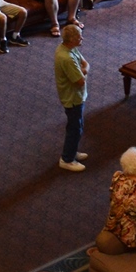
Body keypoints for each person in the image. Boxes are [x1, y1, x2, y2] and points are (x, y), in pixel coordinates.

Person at [55, 23, 90, 171]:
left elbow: (85, 64)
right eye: (78, 37)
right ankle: (67, 159)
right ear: (70, 40)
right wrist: (84, 72)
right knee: (75, 128)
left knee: (77, 126)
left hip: (77, 96)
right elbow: (80, 81)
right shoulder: (67, 58)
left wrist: (84, 70)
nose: (81, 38)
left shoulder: (70, 48)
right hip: (72, 98)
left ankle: (72, 150)